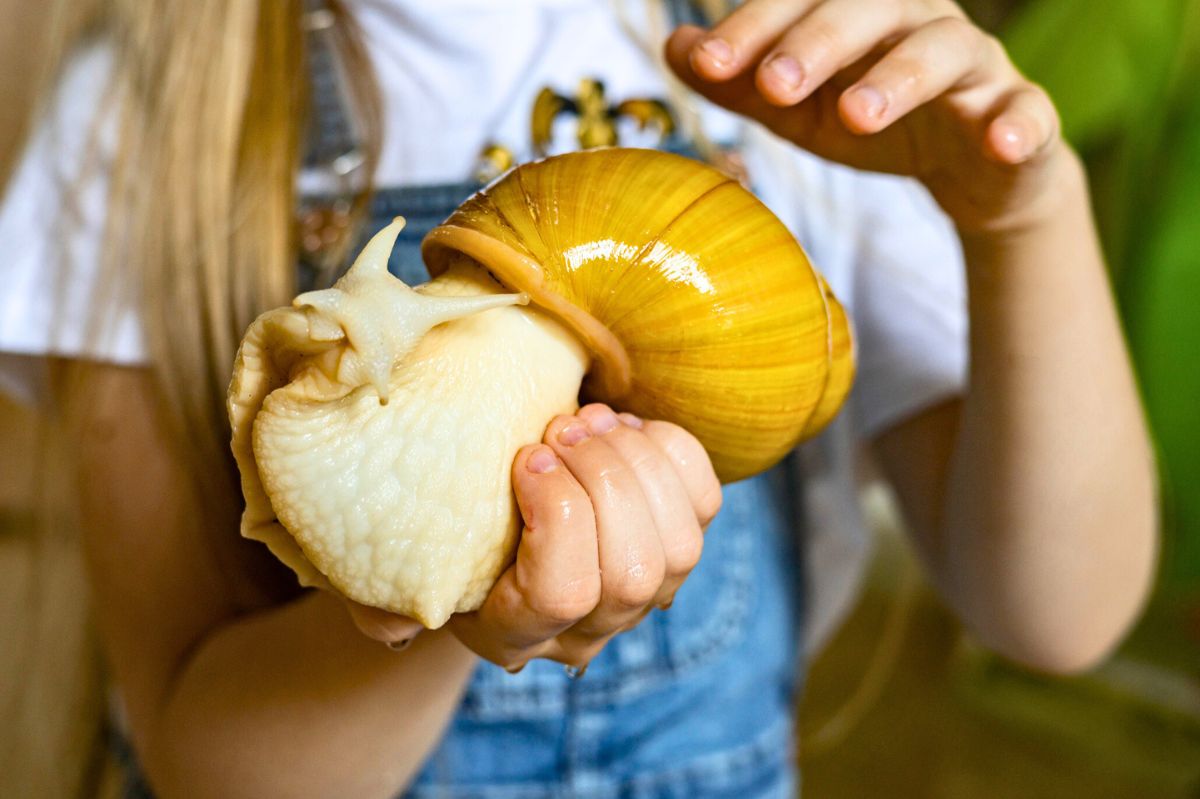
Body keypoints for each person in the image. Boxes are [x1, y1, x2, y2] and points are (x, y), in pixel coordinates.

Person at [0, 0, 1158, 797]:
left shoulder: (804, 63)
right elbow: (214, 764)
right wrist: (458, 598)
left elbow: (1058, 610)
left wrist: (1018, 217)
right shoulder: (141, 119)